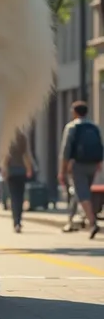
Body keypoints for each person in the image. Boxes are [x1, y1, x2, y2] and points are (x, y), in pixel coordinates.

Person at [59, 101, 103, 239]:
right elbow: (100, 144)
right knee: (85, 192)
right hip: (93, 164)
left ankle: (92, 222)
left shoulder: (72, 127)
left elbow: (66, 150)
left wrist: (62, 169)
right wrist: (99, 162)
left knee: (81, 193)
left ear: (75, 112)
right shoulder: (94, 126)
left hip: (78, 165)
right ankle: (81, 217)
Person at [2, 130, 34, 232]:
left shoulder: (8, 136)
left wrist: (4, 170)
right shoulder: (22, 137)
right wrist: (28, 168)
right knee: (20, 197)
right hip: (21, 171)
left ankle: (16, 222)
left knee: (14, 197)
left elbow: (6, 156)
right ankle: (19, 221)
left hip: (11, 172)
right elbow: (25, 154)